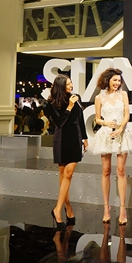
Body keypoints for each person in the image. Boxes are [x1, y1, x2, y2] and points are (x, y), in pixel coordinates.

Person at [87, 68, 132, 225]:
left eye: (119, 80)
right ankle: (106, 207)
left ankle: (123, 208)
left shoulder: (123, 95)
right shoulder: (99, 97)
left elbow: (127, 114)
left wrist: (120, 128)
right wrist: (106, 123)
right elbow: (97, 119)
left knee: (121, 170)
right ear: (108, 80)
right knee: (106, 170)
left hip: (121, 133)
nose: (117, 83)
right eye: (115, 80)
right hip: (106, 134)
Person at [45, 74, 88, 230]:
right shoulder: (50, 103)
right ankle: (68, 207)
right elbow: (59, 123)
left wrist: (85, 137)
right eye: (68, 84)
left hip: (75, 138)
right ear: (61, 86)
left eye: (71, 83)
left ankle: (57, 209)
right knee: (63, 175)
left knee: (68, 174)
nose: (71, 86)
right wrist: (69, 107)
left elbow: (80, 118)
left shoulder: (76, 98)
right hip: (61, 139)